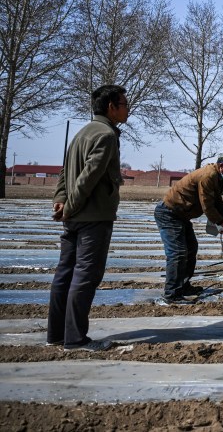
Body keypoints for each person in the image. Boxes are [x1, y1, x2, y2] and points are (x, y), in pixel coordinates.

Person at [47, 84, 129, 352]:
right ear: (111, 107)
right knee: (85, 276)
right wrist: (70, 205)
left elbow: (64, 172)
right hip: (93, 215)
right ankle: (75, 339)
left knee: (65, 273)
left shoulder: (82, 132)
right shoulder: (106, 135)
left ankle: (56, 334)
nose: (127, 109)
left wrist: (60, 200)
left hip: (74, 215)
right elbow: (88, 177)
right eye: (124, 104)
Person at [153, 153, 223, 304]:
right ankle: (171, 295)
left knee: (191, 248)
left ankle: (184, 286)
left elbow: (217, 201)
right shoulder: (208, 176)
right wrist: (221, 222)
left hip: (181, 215)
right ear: (222, 166)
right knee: (178, 253)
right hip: (169, 213)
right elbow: (207, 205)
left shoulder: (217, 177)